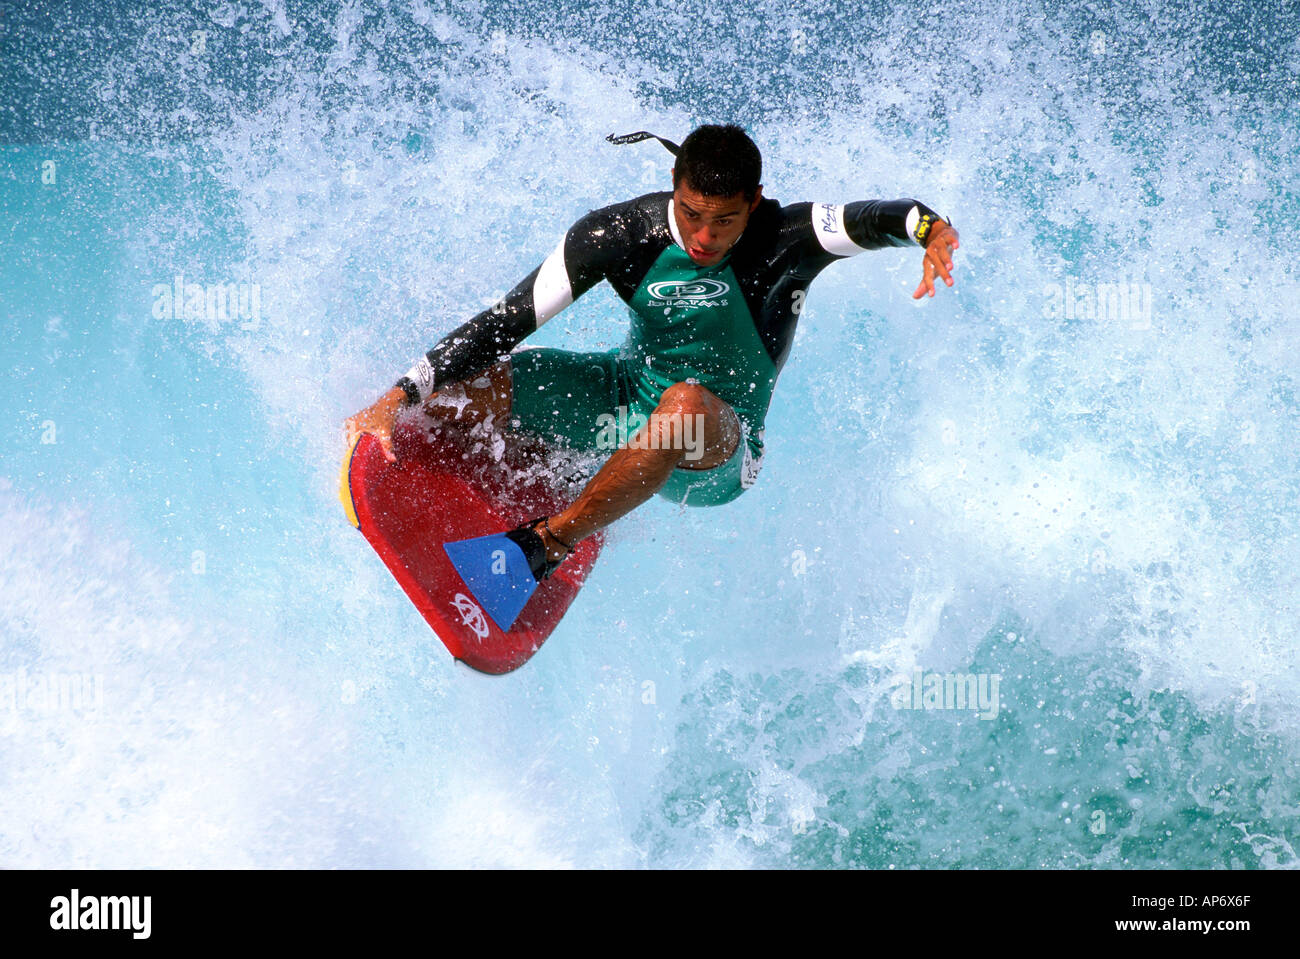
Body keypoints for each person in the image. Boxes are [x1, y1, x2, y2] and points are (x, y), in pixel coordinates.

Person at [344, 124, 959, 580]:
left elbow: (889, 216)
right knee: (465, 390)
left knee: (684, 403)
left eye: (724, 221)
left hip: (718, 448)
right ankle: (551, 468)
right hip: (624, 397)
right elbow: (510, 318)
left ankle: (547, 544)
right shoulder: (618, 235)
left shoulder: (789, 238)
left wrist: (933, 233)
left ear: (755, 200)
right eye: (691, 215)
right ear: (674, 187)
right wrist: (400, 394)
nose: (703, 237)